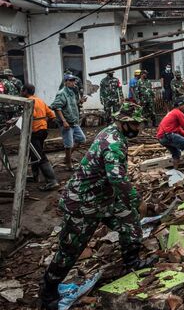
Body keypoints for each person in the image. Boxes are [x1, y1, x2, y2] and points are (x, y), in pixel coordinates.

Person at [39, 102, 156, 310]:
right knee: (69, 251)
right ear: (124, 123)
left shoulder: (114, 133)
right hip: (82, 203)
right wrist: (139, 201)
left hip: (104, 198)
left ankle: (131, 262)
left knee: (130, 222)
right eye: (136, 124)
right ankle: (48, 293)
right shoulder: (113, 143)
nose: (139, 128)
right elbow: (117, 179)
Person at [21, 83, 59, 190]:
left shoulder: (29, 101)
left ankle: (52, 181)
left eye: (21, 91)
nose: (20, 93)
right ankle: (35, 176)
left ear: (25, 91)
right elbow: (51, 115)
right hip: (43, 131)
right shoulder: (40, 100)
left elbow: (30, 114)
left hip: (35, 132)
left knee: (39, 155)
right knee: (34, 153)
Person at [51, 74, 86, 171]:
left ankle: (67, 158)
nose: (73, 82)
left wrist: (80, 101)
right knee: (68, 144)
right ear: (65, 82)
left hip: (74, 121)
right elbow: (57, 107)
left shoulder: (72, 92)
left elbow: (73, 104)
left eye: (74, 80)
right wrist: (64, 121)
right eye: (70, 80)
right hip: (66, 123)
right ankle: (68, 164)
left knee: (81, 139)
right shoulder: (62, 93)